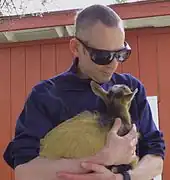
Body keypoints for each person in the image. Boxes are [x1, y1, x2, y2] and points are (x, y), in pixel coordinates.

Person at [3, 4, 165, 180]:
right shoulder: (46, 95)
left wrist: (121, 178)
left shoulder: (130, 89)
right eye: (102, 56)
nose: (113, 64)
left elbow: (155, 157)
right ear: (76, 48)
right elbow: (25, 171)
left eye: (120, 54)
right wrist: (104, 158)